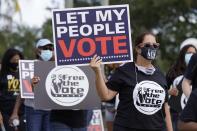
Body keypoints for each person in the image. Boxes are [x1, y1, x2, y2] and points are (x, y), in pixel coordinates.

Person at [90, 32, 173, 131]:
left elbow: (165, 107)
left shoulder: (160, 74)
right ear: (138, 49)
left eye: (155, 45)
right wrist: (98, 72)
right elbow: (105, 95)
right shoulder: (124, 71)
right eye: (147, 45)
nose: (152, 48)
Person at [10, 39, 54, 131]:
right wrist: (15, 113)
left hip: (51, 111)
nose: (49, 50)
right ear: (38, 50)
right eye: (45, 48)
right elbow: (22, 91)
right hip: (33, 109)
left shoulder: (56, 65)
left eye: (51, 48)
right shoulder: (29, 65)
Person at [166, 44, 197, 131]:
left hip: (192, 114)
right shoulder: (174, 71)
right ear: (183, 54)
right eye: (189, 53)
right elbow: (162, 89)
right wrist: (169, 91)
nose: (192, 55)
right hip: (176, 113)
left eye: (194, 53)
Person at [0, 48, 25, 131]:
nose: (16, 62)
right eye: (14, 60)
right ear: (8, 60)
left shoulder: (24, 74)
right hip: (5, 111)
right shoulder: (2, 74)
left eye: (18, 60)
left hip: (22, 111)